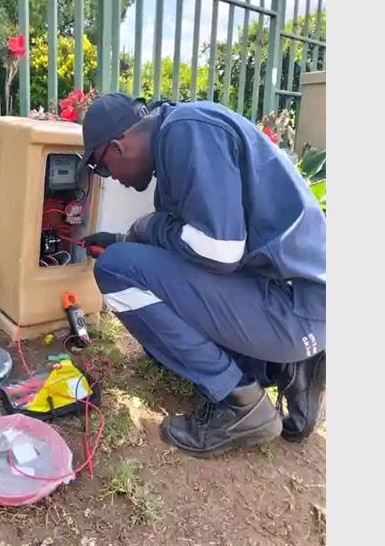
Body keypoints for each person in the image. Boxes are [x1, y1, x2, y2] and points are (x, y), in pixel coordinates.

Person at [78, 93, 326, 457]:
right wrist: (124, 238)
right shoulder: (180, 136)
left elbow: (218, 250)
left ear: (118, 146)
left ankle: (240, 402)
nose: (109, 178)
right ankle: (289, 366)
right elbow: (190, 247)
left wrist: (146, 226)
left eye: (101, 167)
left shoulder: (186, 130)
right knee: (131, 273)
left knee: (115, 269)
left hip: (292, 309)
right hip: (304, 303)